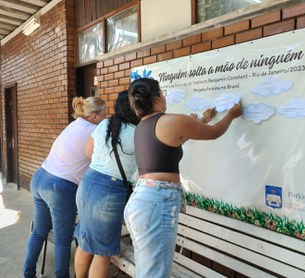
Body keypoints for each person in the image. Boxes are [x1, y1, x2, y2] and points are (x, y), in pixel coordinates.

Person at [124, 78, 242, 278]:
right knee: (156, 274)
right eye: (161, 92)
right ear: (155, 98)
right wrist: (231, 114)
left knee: (148, 271)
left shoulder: (143, 125)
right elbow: (214, 133)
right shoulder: (170, 120)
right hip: (156, 202)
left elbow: (178, 139)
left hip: (142, 202)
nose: (164, 96)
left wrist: (202, 120)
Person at [23, 96, 106, 278]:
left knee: (39, 232)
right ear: (94, 117)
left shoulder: (75, 124)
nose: (106, 119)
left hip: (40, 177)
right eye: (104, 115)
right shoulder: (95, 130)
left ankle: (28, 274)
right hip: (59, 186)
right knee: (62, 240)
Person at [74, 91, 140, 278]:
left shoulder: (104, 123)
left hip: (88, 183)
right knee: (102, 252)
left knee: (86, 242)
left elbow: (88, 151)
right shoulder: (139, 132)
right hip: (109, 192)